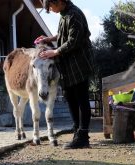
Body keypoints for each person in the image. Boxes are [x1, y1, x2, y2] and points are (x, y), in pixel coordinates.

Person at [35, 0, 94, 149]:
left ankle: (83, 137)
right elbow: (63, 35)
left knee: (81, 99)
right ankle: (77, 132)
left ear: (59, 1)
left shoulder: (74, 14)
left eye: (51, 6)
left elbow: (73, 40)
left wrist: (54, 51)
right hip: (68, 66)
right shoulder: (64, 14)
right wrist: (49, 39)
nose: (51, 9)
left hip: (79, 64)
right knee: (71, 98)